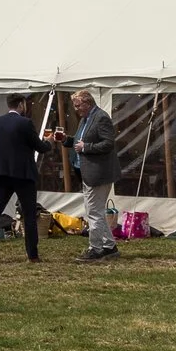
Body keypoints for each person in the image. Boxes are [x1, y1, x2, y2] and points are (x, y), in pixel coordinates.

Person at [0, 93, 44, 265]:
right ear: (21, 105)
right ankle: (32, 255)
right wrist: (48, 141)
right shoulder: (25, 123)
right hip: (23, 175)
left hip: (1, 174)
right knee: (29, 213)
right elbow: (39, 147)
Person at [70, 89, 121, 263]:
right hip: (87, 172)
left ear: (87, 102)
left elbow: (108, 143)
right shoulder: (85, 119)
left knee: (94, 212)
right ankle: (109, 246)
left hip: (98, 173)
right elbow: (79, 142)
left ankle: (96, 248)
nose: (77, 109)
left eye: (78, 106)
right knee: (96, 211)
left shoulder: (101, 117)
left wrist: (86, 148)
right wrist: (66, 141)